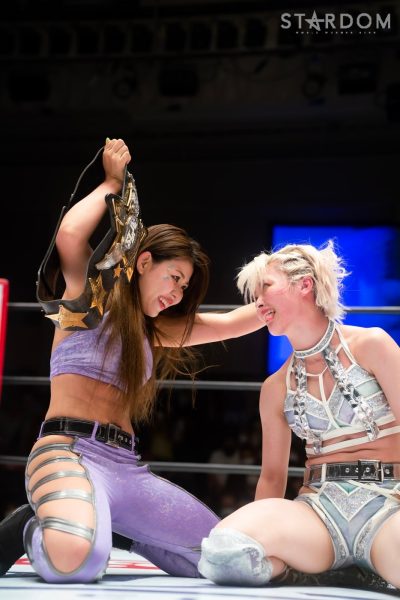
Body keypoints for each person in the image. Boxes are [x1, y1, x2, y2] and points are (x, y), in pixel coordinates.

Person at [0, 138, 265, 583]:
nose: (177, 294)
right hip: (68, 451)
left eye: (184, 287)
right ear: (143, 262)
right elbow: (69, 236)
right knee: (78, 560)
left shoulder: (153, 331)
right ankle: (36, 527)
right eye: (174, 277)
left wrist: (285, 289)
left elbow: (232, 323)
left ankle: (114, 529)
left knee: (230, 557)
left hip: (125, 470)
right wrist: (110, 183)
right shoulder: (88, 302)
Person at [198, 240, 400, 590]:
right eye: (255, 293)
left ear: (305, 284)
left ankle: (363, 566)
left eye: (266, 286)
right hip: (318, 515)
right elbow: (272, 478)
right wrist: (264, 542)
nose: (258, 301)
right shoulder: (275, 387)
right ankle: (322, 571)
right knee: (223, 553)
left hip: (389, 505)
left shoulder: (373, 344)